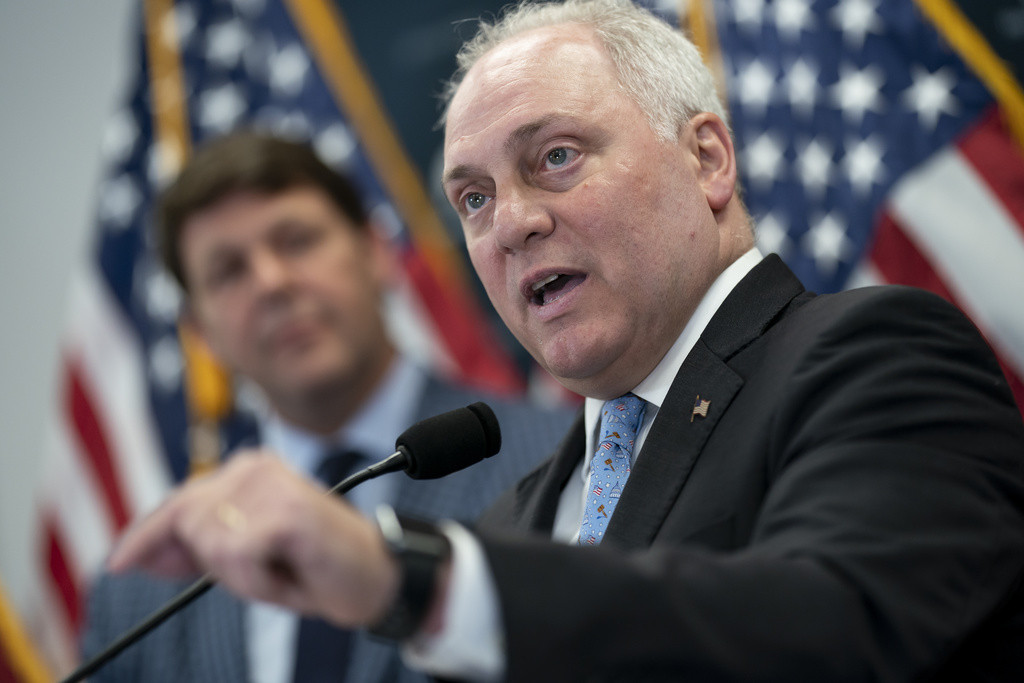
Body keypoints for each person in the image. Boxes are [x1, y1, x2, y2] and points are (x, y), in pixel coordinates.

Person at [105, 1, 1024, 681]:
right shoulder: (520, 513)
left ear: (707, 157)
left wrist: (411, 577)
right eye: (472, 197)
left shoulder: (874, 356)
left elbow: (832, 630)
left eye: (555, 157)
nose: (509, 224)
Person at [80, 131, 575, 683]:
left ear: (375, 253)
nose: (271, 283)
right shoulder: (141, 591)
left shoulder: (564, 464)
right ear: (201, 335)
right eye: (228, 271)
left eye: (296, 241)